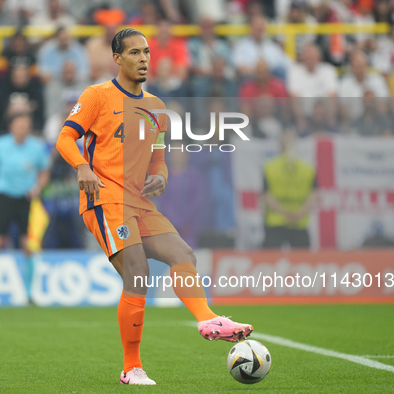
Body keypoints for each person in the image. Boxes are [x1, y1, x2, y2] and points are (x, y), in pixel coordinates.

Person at [55, 28, 253, 386]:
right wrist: (82, 166)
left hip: (139, 200)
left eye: (146, 52)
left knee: (183, 253)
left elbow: (158, 159)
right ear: (117, 59)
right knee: (138, 272)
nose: (144, 58)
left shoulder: (157, 108)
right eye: (134, 53)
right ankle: (131, 368)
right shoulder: (96, 96)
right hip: (104, 198)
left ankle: (208, 319)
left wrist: (161, 177)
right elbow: (65, 137)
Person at [0, 113, 51, 305]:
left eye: (26, 125)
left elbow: (44, 171)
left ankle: (29, 294)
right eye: (19, 125)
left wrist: (38, 187)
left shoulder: (37, 147)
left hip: (26, 200)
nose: (22, 129)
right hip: (3, 198)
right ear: (11, 127)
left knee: (29, 246)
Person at [262, 131, 317, 249]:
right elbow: (314, 194)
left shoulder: (270, 166)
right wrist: (299, 213)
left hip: (278, 219)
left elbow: (267, 195)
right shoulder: (307, 168)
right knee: (303, 261)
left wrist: (285, 213)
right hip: (296, 220)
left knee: (270, 260)